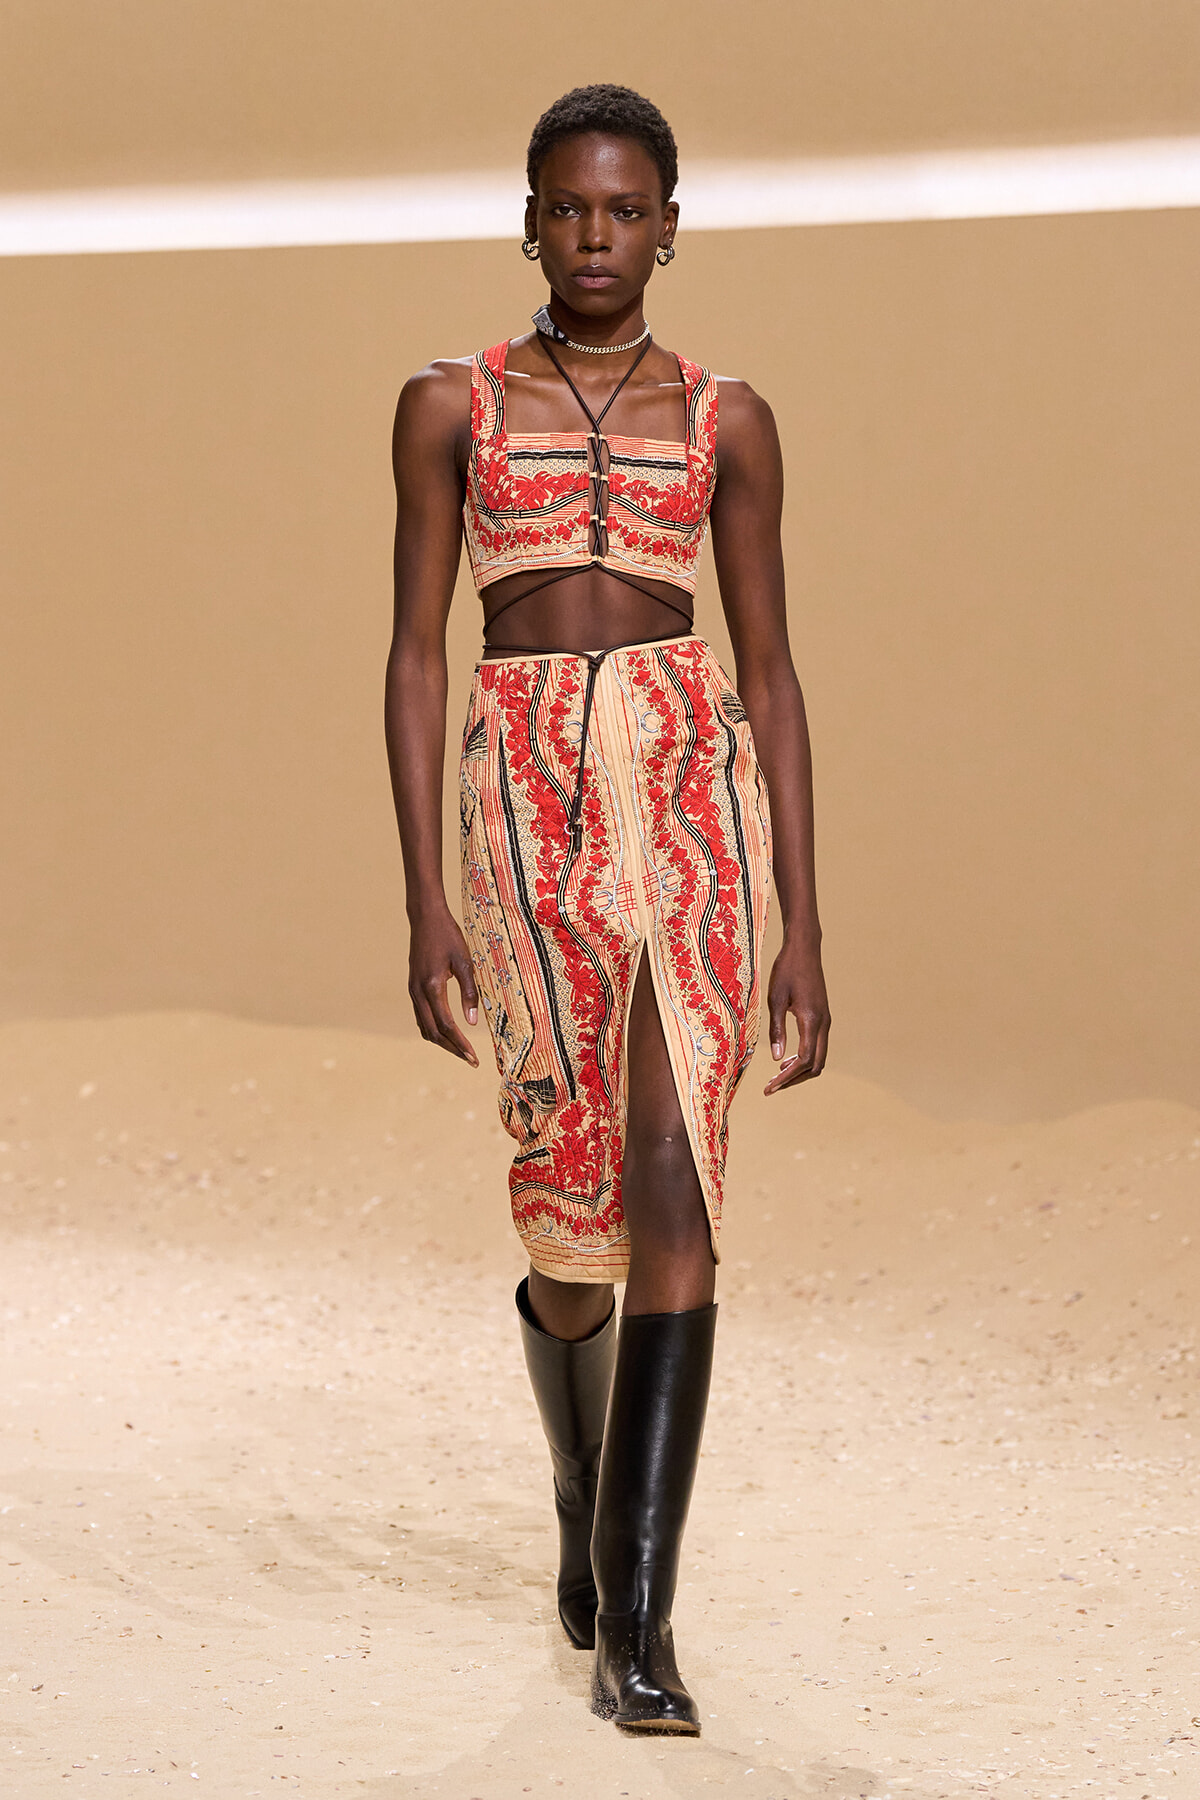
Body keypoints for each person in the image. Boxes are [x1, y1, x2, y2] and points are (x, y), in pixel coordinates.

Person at [386, 84, 830, 1734]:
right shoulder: (451, 402)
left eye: (624, 210)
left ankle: (634, 1625)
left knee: (674, 1184)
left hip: (688, 791)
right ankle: (582, 1497)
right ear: (529, 220)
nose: (595, 236)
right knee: (567, 1224)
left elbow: (773, 672)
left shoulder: (730, 418)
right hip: (524, 799)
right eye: (568, 208)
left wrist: (805, 917)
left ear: (667, 226)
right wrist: (423, 897)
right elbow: (421, 648)